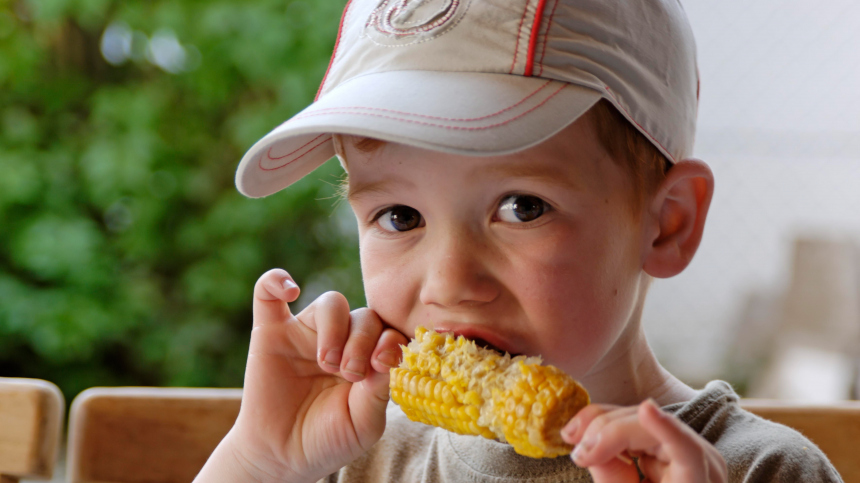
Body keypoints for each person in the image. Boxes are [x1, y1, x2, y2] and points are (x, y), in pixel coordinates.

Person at [194, 0, 842, 481]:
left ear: (667, 222)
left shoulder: (764, 471)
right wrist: (259, 457)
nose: (448, 281)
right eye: (399, 216)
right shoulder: (355, 457)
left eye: (521, 207)